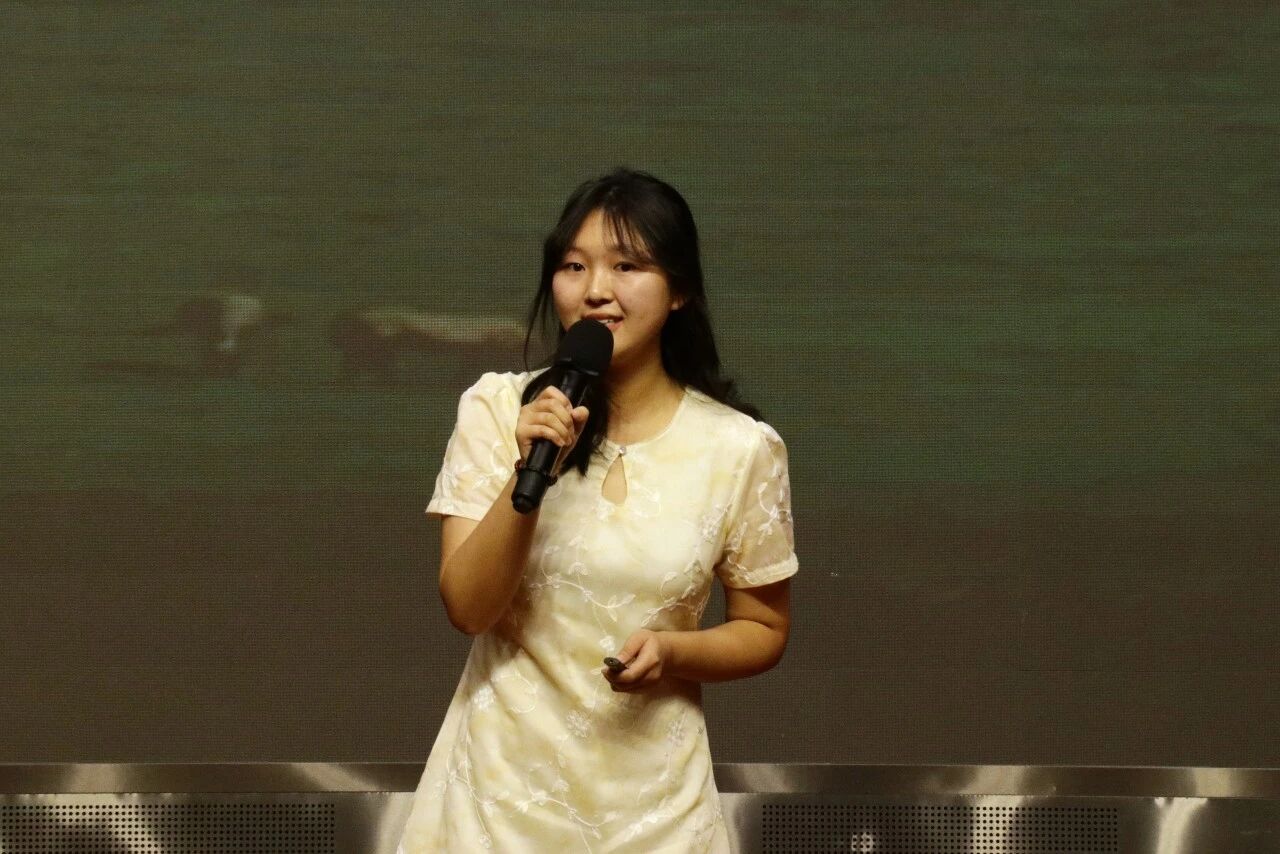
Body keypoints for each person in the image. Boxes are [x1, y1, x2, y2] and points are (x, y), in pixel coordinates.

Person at [397, 168, 798, 853]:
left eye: (627, 266)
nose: (595, 290)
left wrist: (675, 651)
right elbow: (468, 608)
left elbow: (763, 627)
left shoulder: (740, 448)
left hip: (658, 816)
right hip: (495, 806)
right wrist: (530, 474)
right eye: (573, 266)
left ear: (680, 289)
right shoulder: (498, 410)